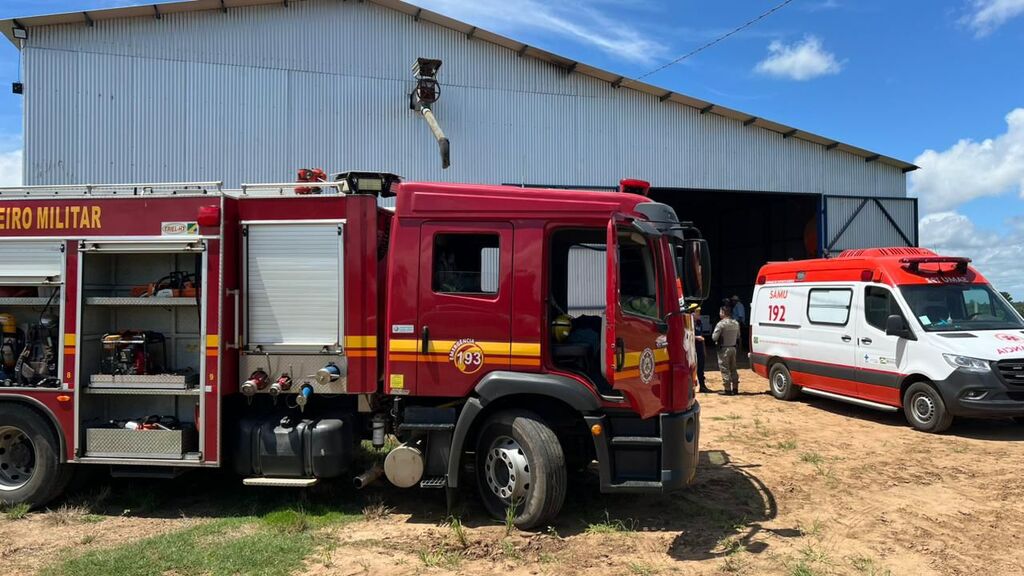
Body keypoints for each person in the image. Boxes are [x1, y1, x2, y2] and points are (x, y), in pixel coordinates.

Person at [713, 305, 741, 395]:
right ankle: (735, 388)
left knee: (725, 368)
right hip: (733, 348)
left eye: (720, 312)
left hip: (724, 349)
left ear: (723, 313)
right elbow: (738, 336)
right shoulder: (736, 323)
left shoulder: (721, 324)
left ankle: (727, 389)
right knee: (733, 368)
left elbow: (714, 337)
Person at [694, 308, 709, 393]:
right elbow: (685, 335)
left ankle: (702, 386)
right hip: (692, 347)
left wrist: (704, 349)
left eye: (699, 312)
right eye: (696, 312)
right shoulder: (688, 323)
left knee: (701, 367)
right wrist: (696, 337)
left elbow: (702, 336)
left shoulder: (699, 322)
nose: (698, 314)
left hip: (700, 348)